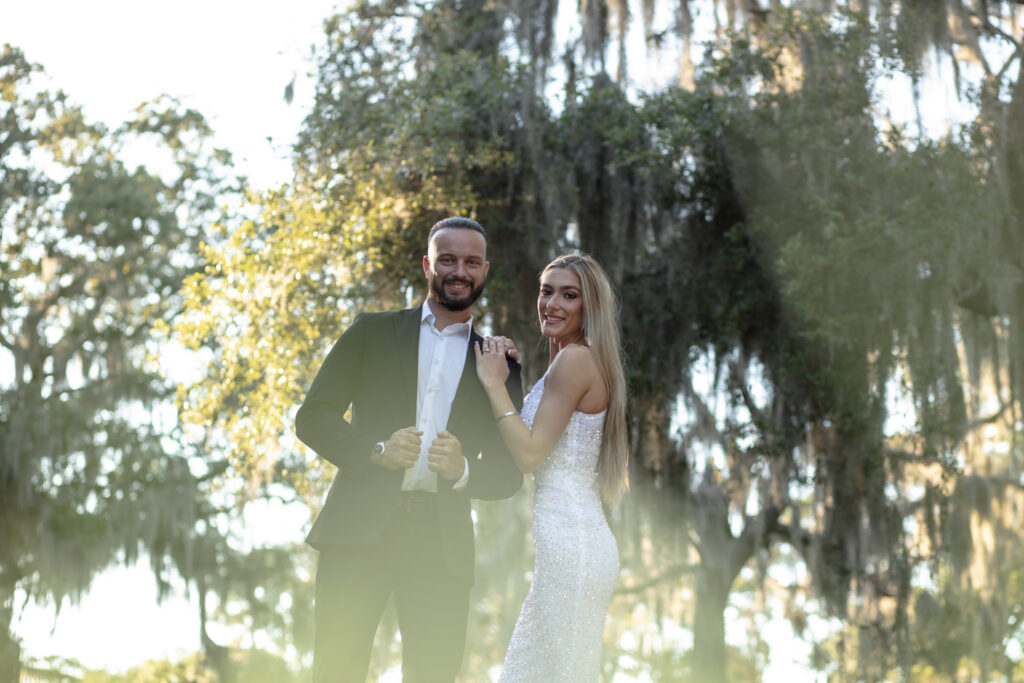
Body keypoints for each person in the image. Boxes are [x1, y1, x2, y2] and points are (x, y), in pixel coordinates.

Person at [296, 216, 524, 683]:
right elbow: (312, 416)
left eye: (471, 262)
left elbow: (508, 474)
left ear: (485, 271)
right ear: (427, 264)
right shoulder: (371, 333)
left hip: (440, 546)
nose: (459, 270)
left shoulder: (500, 365)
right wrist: (376, 450)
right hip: (356, 532)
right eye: (447, 259)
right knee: (335, 672)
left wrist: (463, 471)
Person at [474, 252, 629, 682]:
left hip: (572, 546)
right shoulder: (568, 362)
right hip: (567, 545)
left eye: (569, 295)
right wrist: (510, 374)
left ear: (589, 306)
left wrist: (491, 383)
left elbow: (528, 454)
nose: (552, 304)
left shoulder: (577, 359)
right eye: (546, 291)